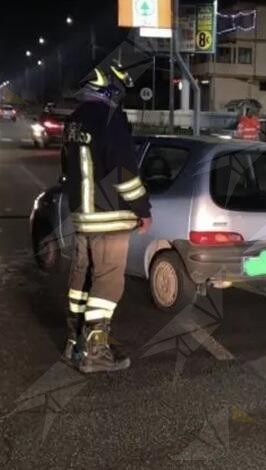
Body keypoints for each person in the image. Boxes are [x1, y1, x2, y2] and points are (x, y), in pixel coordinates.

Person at [61, 61, 152, 373]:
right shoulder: (110, 120)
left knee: (81, 277)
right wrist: (143, 209)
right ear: (110, 87)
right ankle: (95, 352)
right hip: (109, 216)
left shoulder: (73, 122)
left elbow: (67, 170)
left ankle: (75, 342)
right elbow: (125, 173)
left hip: (82, 216)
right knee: (108, 283)